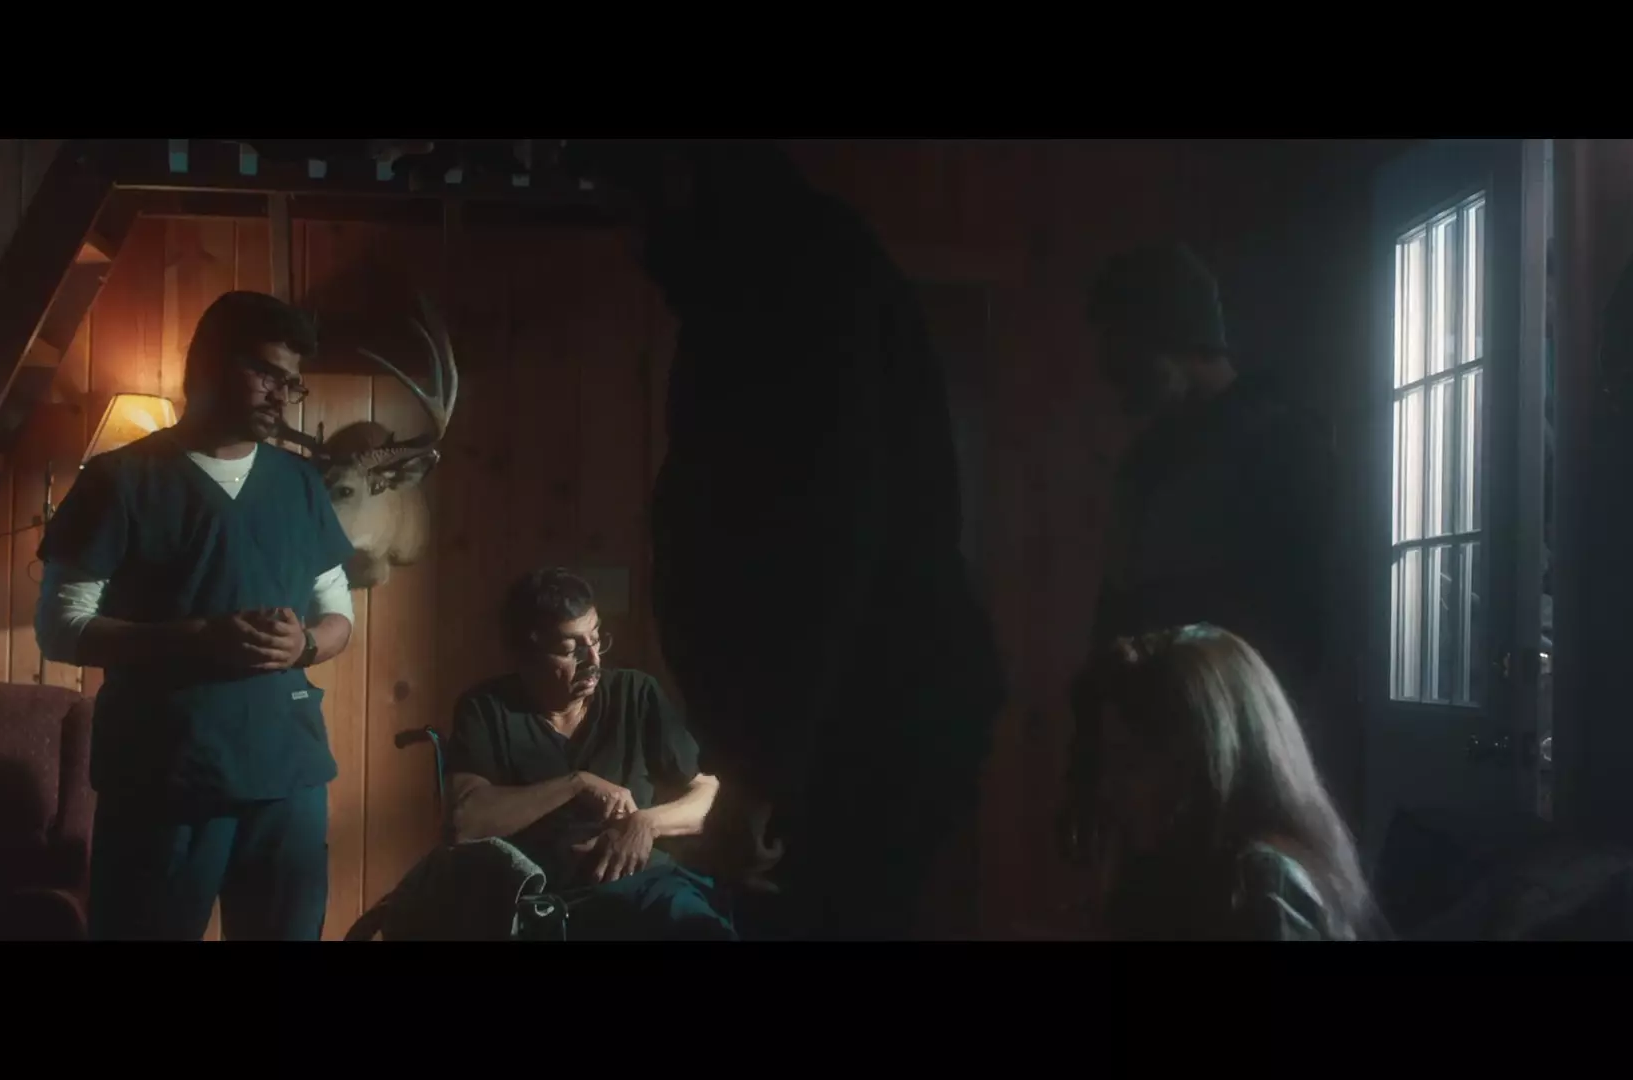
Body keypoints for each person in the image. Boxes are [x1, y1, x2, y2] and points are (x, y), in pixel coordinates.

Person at [556, 139, 1007, 940]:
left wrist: (765, 767)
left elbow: (824, 538)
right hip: (840, 724)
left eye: (631, 211)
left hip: (854, 733)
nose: (630, 243)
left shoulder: (793, 282)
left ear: (677, 177)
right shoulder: (776, 277)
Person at [34, 290, 357, 941]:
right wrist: (198, 639)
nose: (281, 396)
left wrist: (304, 645)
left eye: (291, 382)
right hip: (164, 779)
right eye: (265, 373)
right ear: (207, 366)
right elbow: (61, 627)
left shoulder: (299, 484)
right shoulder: (121, 480)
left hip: (286, 775)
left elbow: (337, 611)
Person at [1062, 241, 1337, 866]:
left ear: (1173, 339)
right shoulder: (1146, 463)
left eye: (1122, 354)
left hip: (1239, 751)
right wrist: (1091, 754)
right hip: (1150, 756)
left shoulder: (1282, 444)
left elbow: (1301, 622)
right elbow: (1115, 610)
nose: (1110, 377)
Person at [441, 568, 736, 941]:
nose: (593, 659)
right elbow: (466, 821)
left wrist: (645, 824)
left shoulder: (635, 694)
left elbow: (708, 794)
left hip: (643, 886)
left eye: (596, 639)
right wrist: (576, 784)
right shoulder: (487, 710)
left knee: (696, 925)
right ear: (526, 656)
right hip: (537, 900)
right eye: (571, 650)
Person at [1079, 624, 1378, 940]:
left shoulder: (1265, 886)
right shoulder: (1162, 875)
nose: (1108, 788)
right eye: (1109, 762)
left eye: (1132, 764)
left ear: (1206, 765)